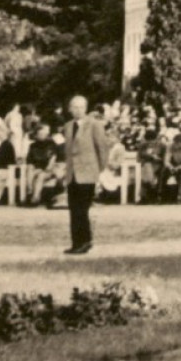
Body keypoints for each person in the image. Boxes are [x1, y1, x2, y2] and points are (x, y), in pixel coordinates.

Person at [63, 95, 111, 255]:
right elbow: (68, 152)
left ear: (85, 108)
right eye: (74, 107)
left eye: (80, 107)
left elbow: (102, 148)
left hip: (88, 172)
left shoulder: (94, 125)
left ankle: (85, 242)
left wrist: (99, 169)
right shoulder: (68, 126)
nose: (77, 110)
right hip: (72, 174)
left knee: (82, 209)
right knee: (73, 209)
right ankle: (76, 242)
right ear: (69, 109)